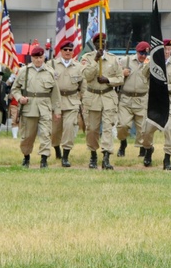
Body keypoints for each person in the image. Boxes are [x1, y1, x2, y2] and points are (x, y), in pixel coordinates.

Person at [11, 45, 62, 168]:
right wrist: (19, 98)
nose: (38, 60)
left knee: (45, 134)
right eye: (36, 57)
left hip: (45, 107)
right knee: (28, 135)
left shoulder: (50, 72)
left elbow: (55, 93)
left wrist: (57, 110)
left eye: (40, 57)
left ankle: (44, 159)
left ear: (44, 57)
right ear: (31, 58)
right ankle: (26, 157)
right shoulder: (24, 71)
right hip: (29, 107)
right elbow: (15, 88)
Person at [80, 33, 125, 170]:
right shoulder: (86, 58)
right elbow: (86, 76)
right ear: (94, 44)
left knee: (107, 128)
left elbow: (121, 78)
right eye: (98, 42)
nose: (101, 44)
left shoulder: (113, 59)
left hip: (108, 97)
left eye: (103, 42)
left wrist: (108, 80)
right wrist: (96, 59)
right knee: (92, 129)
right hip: (93, 97)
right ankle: (93, 154)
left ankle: (106, 157)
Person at [139, 38, 171, 170]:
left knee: (170, 129)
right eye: (165, 49)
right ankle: (148, 149)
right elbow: (144, 75)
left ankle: (167, 158)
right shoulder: (152, 62)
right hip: (153, 101)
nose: (167, 52)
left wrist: (167, 88)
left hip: (169, 101)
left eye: (169, 49)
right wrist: (152, 61)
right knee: (146, 131)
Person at [116, 41, 153, 162]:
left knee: (143, 129)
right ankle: (123, 143)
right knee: (122, 125)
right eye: (141, 53)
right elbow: (114, 76)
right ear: (137, 52)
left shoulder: (150, 63)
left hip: (142, 99)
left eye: (145, 54)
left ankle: (143, 148)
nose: (143, 56)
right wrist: (122, 73)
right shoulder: (125, 61)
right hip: (126, 99)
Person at [50, 41, 84, 167]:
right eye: (65, 49)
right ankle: (56, 149)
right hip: (56, 101)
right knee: (54, 130)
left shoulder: (79, 66)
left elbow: (83, 86)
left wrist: (84, 101)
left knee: (69, 127)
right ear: (61, 51)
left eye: (70, 49)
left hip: (72, 101)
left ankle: (65, 156)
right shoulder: (52, 65)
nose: (68, 52)